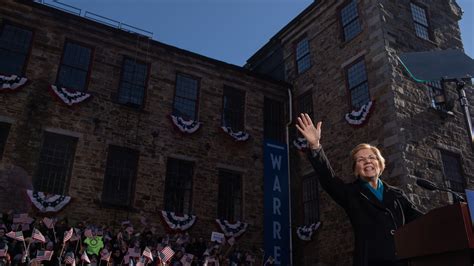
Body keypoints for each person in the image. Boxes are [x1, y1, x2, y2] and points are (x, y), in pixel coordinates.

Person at [296, 113, 423, 266]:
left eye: (372, 158)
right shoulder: (351, 193)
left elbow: (421, 220)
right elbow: (328, 179)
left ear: (380, 164)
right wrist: (315, 147)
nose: (367, 161)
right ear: (356, 170)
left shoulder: (397, 195)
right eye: (361, 160)